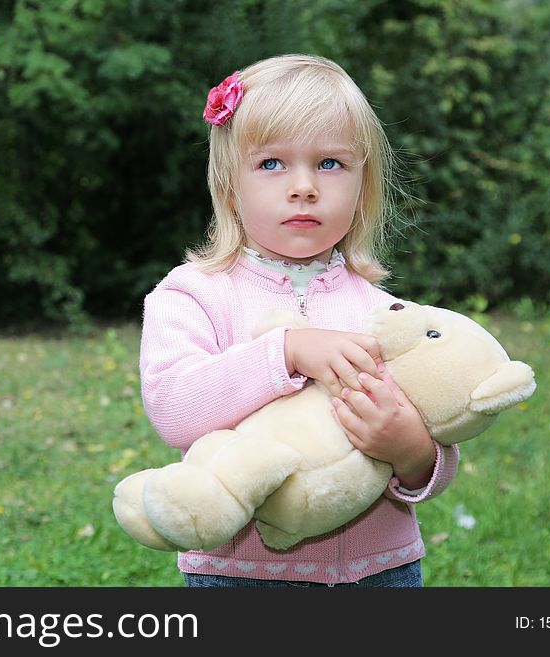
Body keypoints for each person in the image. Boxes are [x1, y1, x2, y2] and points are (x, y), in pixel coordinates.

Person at [139, 53, 459, 587]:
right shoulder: (193, 293)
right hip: (241, 574)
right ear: (229, 187)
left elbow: (443, 424)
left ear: (363, 189)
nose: (304, 186)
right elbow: (175, 409)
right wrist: (284, 350)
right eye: (272, 164)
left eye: (330, 164)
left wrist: (413, 450)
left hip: (379, 572)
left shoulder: (382, 311)